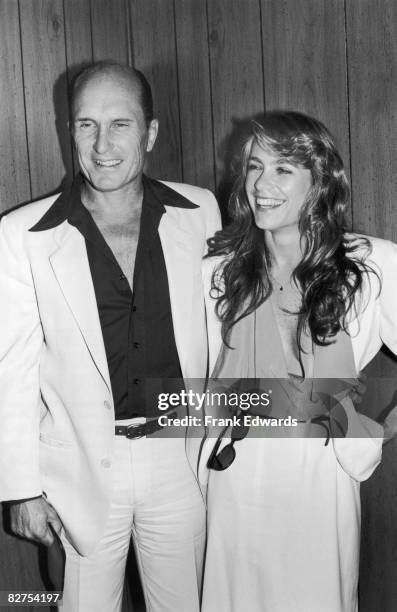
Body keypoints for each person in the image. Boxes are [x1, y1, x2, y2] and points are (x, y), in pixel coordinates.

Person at [0, 61, 221, 612]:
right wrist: (21, 487)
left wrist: (326, 413)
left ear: (149, 133)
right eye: (85, 124)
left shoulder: (201, 213)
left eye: (120, 124)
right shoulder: (22, 235)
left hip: (180, 460)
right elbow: (13, 369)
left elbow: (230, 330)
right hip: (76, 467)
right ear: (69, 130)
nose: (102, 144)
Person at [200, 111, 397, 612]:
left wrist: (378, 425)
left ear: (320, 182)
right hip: (235, 474)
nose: (261, 184)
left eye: (283, 169)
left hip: (319, 475)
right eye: (253, 166)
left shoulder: (372, 264)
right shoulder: (219, 272)